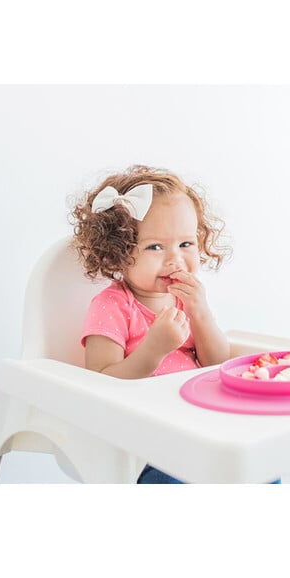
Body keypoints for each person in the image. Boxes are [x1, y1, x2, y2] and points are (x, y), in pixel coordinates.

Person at [70, 165, 232, 484]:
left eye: (186, 244)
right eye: (155, 247)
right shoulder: (113, 305)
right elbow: (100, 383)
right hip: (145, 442)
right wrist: (153, 350)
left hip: (199, 426)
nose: (175, 259)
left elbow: (217, 362)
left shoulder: (187, 300)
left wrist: (201, 313)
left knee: (257, 469)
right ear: (118, 253)